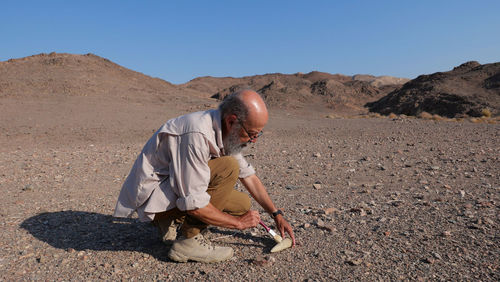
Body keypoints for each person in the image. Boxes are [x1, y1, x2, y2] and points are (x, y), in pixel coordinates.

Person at [113, 89, 295, 263]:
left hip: (173, 188)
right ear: (232, 121)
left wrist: (276, 214)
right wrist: (238, 224)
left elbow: (249, 177)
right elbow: (194, 204)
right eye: (251, 134)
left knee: (242, 204)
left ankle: (171, 219)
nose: (253, 141)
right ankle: (188, 241)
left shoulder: (224, 130)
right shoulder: (197, 133)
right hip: (153, 197)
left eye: (258, 135)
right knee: (228, 167)